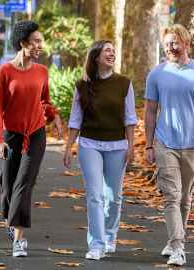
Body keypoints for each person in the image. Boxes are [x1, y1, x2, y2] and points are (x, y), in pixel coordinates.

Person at [144, 24, 194, 266]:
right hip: (165, 142)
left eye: (175, 43)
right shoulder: (157, 74)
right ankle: (177, 247)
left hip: (193, 145)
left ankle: (175, 239)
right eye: (167, 44)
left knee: (186, 198)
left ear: (186, 43)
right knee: (171, 196)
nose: (171, 48)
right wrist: (149, 145)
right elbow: (151, 111)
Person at [0, 20, 62, 258]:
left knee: (23, 185)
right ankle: (11, 220)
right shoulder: (4, 71)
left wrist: (53, 115)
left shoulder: (42, 71)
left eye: (41, 41)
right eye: (36, 41)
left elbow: (45, 100)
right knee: (8, 186)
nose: (40, 46)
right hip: (11, 136)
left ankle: (19, 240)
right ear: (23, 43)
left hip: (36, 134)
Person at [63, 40, 137, 260]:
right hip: (89, 145)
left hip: (117, 145)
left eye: (113, 51)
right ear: (95, 57)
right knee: (95, 196)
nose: (112, 53)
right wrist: (69, 147)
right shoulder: (83, 85)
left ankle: (110, 236)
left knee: (114, 196)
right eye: (107, 51)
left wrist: (131, 146)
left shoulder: (124, 83)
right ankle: (96, 243)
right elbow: (76, 119)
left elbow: (130, 118)